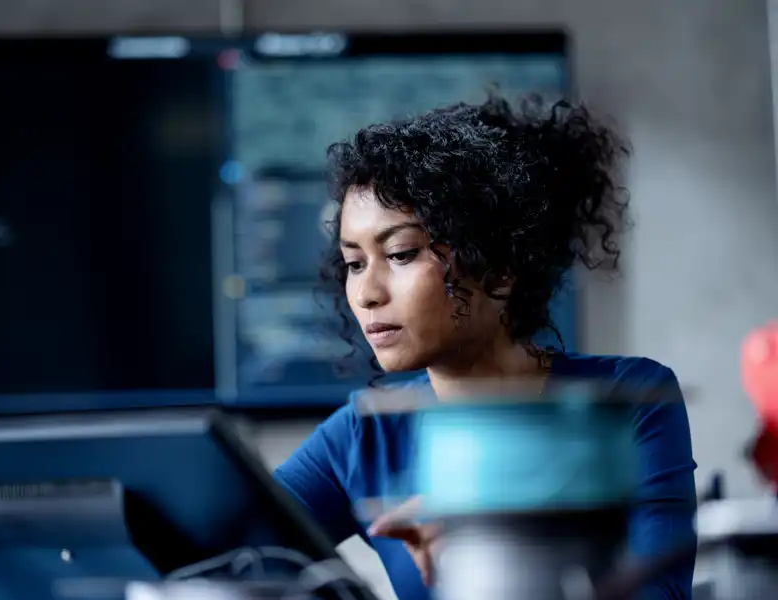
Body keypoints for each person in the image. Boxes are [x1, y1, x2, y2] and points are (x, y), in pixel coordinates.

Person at [274, 94, 697, 600]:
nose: (367, 293)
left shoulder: (628, 400)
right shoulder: (363, 434)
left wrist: (490, 548)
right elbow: (216, 552)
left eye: (401, 254)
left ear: (498, 269)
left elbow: (659, 594)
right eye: (355, 263)